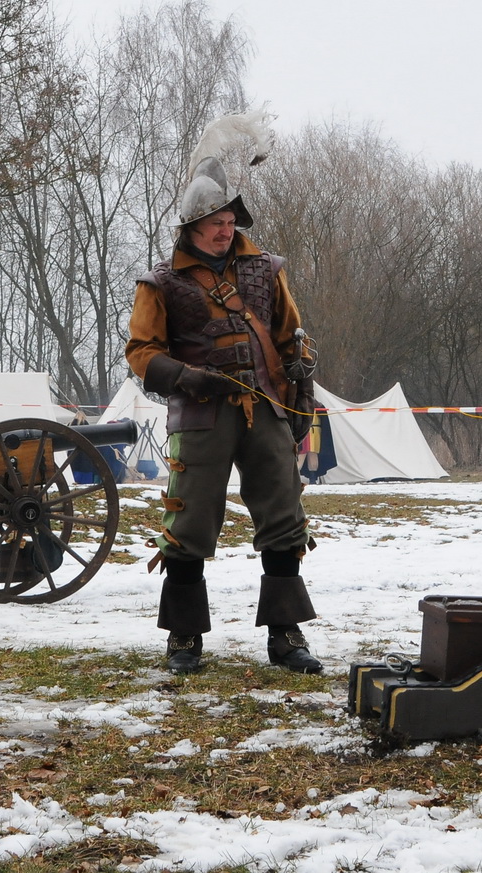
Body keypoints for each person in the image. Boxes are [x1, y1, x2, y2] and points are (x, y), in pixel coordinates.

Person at [126, 116, 321, 675]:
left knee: (284, 518)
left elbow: (290, 336)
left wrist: (300, 385)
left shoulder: (265, 270)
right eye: (214, 221)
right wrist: (188, 378)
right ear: (191, 226)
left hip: (265, 407)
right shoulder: (160, 282)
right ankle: (184, 639)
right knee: (189, 524)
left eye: (230, 220)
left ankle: (286, 636)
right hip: (201, 416)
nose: (224, 229)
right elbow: (141, 351)